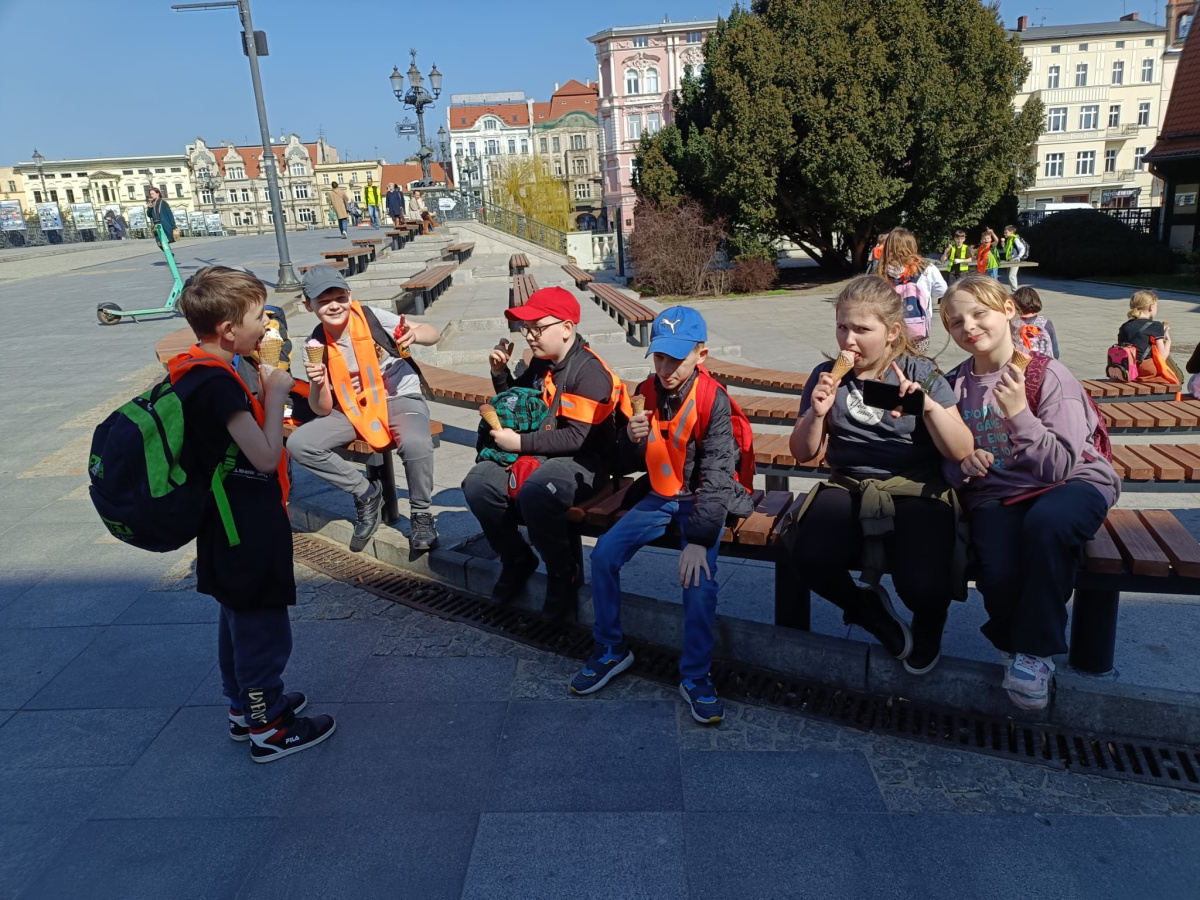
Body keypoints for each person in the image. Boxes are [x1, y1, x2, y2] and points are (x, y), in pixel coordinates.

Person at [171, 266, 336, 761]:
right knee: (262, 624)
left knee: (236, 616)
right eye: (259, 316)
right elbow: (264, 457)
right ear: (228, 330)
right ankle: (270, 727)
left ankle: (244, 707)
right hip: (245, 522)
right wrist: (277, 393)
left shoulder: (195, 369)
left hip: (221, 518)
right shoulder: (217, 383)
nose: (266, 325)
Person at [940, 274, 1119, 711]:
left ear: (1008, 310)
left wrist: (1020, 412)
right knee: (996, 564)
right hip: (997, 492)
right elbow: (944, 457)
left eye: (979, 313)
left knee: (1046, 525)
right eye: (956, 321)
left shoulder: (1048, 374)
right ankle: (1013, 643)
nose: (969, 327)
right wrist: (962, 464)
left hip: (1073, 483)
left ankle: (1035, 653)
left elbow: (1058, 464)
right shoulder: (954, 385)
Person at [570, 306, 754, 724]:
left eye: (676, 358)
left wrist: (700, 541)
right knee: (603, 555)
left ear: (701, 355)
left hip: (703, 499)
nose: (666, 369)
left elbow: (718, 473)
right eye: (659, 357)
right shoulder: (645, 392)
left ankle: (695, 675)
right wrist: (630, 439)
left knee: (699, 580)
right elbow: (629, 461)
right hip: (659, 495)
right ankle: (611, 649)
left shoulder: (713, 398)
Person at [784, 276, 974, 675]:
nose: (848, 340)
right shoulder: (826, 375)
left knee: (921, 583)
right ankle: (865, 608)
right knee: (808, 555)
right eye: (842, 327)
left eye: (861, 329)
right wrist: (816, 413)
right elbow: (803, 453)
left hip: (916, 486)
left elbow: (961, 449)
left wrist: (927, 407)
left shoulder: (921, 373)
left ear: (892, 332)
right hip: (849, 482)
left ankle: (929, 619)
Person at [462, 287, 629, 622]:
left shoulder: (589, 372)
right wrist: (500, 374)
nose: (529, 336)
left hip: (585, 462)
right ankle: (516, 558)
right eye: (526, 328)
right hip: (541, 455)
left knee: (538, 491)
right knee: (478, 483)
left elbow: (576, 438)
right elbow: (517, 404)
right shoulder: (542, 362)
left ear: (566, 328)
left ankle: (562, 571)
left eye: (537, 328)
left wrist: (520, 444)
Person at [287, 268, 441, 552]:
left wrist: (415, 335)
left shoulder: (371, 317)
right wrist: (317, 383)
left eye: (339, 297)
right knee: (300, 443)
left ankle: (421, 515)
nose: (334, 306)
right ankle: (367, 493)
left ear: (350, 296)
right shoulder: (315, 343)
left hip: (398, 396)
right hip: (351, 406)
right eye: (323, 301)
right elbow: (321, 408)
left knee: (416, 442)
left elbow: (432, 333)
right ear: (308, 305)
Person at [877, 227, 947, 354]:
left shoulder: (881, 270)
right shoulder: (926, 268)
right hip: (918, 328)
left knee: (891, 360)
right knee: (917, 361)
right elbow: (942, 290)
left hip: (890, 328)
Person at [1114, 290, 1177, 384]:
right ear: (1151, 307)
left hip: (1124, 369)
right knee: (1173, 379)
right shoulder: (1155, 326)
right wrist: (1168, 341)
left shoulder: (1124, 326)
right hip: (1144, 370)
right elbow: (1163, 357)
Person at [1010, 286, 1059, 358]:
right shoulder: (1046, 323)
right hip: (1043, 363)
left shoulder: (1012, 324)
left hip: (1019, 362)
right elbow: (1055, 352)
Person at [1001, 225, 1029, 291]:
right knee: (1010, 277)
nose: (1004, 234)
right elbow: (1007, 251)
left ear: (1011, 232)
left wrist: (1019, 257)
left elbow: (1022, 248)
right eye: (1004, 232)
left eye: (1006, 232)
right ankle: (1014, 291)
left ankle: (1015, 291)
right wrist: (1003, 245)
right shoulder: (1009, 240)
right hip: (1010, 260)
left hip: (1015, 260)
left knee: (1011, 276)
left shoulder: (1015, 239)